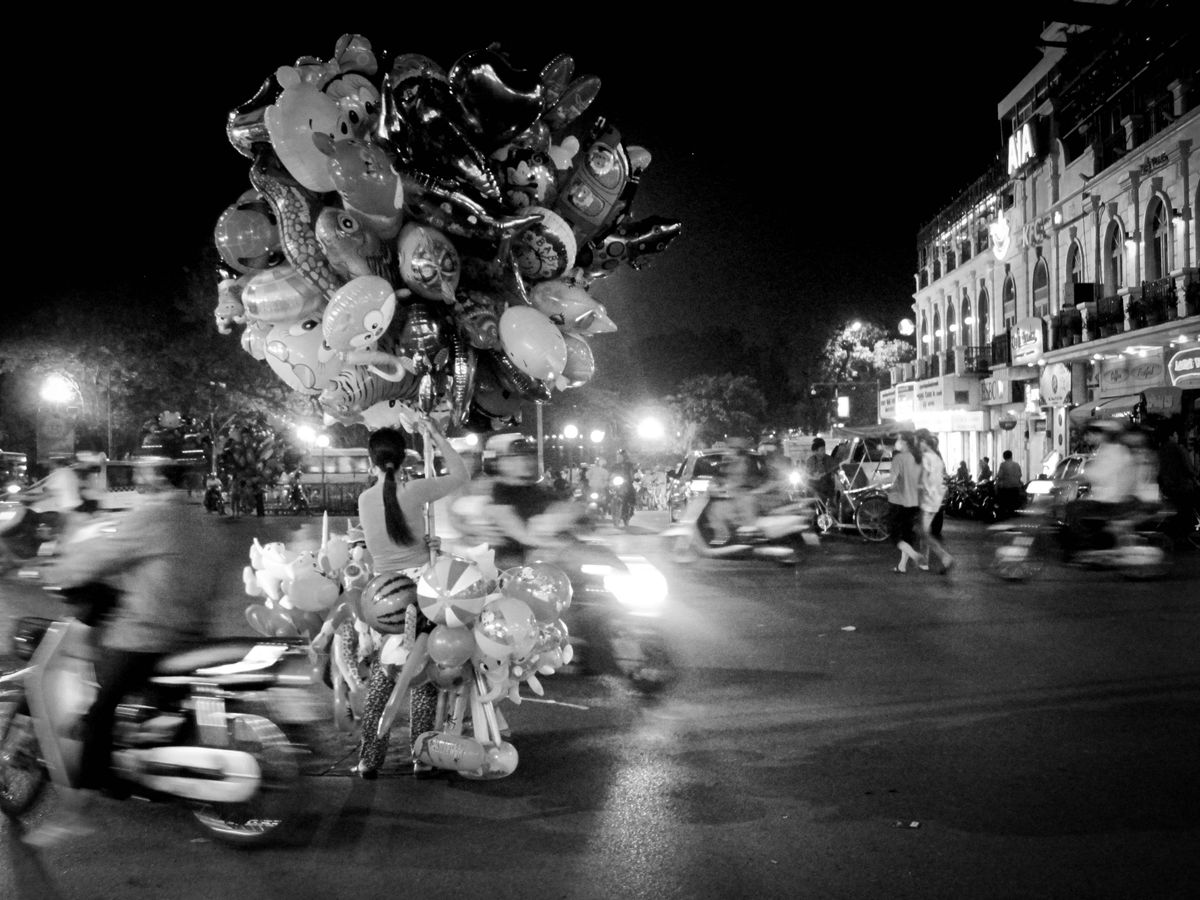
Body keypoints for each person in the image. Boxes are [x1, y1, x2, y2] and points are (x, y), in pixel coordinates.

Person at [26, 461, 218, 847]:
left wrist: (57, 572)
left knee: (101, 711)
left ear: (160, 480)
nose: (140, 484)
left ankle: (75, 813)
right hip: (193, 631)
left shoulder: (154, 517)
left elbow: (100, 554)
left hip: (148, 634)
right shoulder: (204, 522)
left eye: (145, 477)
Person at [354, 420, 469, 779]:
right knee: (423, 676)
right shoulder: (416, 491)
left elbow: (384, 544)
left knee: (384, 677)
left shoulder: (364, 499)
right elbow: (461, 474)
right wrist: (436, 435)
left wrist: (422, 545)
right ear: (405, 459)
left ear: (371, 461)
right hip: (421, 591)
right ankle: (421, 754)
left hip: (384, 596)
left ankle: (369, 759)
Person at [1063, 420, 1136, 555]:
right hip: (1108, 498)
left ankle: (1087, 547)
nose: (1086, 438)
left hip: (1111, 500)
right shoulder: (1110, 449)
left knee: (1073, 508)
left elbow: (1101, 473)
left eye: (1089, 434)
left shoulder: (1113, 450)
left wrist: (1080, 477)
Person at [916, 431, 954, 574]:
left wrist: (921, 488)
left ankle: (945, 557)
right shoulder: (938, 459)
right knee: (924, 530)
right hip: (936, 499)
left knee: (923, 532)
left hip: (928, 499)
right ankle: (924, 561)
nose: (918, 445)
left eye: (919, 442)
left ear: (924, 442)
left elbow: (924, 479)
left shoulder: (926, 457)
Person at [1155, 424, 1197, 546]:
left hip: (1169, 488)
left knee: (1178, 512)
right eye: (1175, 434)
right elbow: (1188, 469)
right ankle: (1181, 538)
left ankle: (1175, 537)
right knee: (1187, 513)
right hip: (1183, 487)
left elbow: (1158, 471)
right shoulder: (1178, 448)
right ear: (1171, 435)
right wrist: (1195, 477)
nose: (1177, 436)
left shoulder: (1161, 451)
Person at [887, 433, 924, 573]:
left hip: (899, 502)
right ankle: (902, 566)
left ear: (905, 443)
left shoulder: (899, 458)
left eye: (899, 440)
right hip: (915, 503)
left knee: (894, 535)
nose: (897, 442)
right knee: (907, 534)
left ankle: (915, 555)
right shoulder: (918, 458)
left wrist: (877, 482)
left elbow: (891, 480)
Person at [804, 438, 838, 508]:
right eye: (821, 450)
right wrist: (814, 476)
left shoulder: (829, 459)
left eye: (824, 449)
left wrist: (825, 473)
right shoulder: (810, 460)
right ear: (815, 451)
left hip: (827, 487)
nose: (824, 451)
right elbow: (807, 474)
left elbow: (834, 468)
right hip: (814, 486)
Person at [995, 451, 1024, 518]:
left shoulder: (1003, 465)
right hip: (1016, 487)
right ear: (1011, 456)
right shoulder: (1016, 464)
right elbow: (1020, 475)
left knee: (1002, 501)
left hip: (1006, 488)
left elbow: (1000, 476)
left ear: (1004, 457)